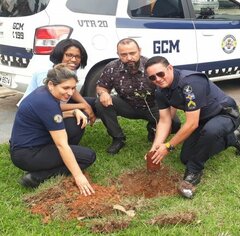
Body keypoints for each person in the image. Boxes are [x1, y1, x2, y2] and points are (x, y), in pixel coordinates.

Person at [144, 56, 240, 198]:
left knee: (210, 132)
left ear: (170, 68)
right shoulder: (160, 91)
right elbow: (164, 120)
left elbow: (192, 123)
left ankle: (193, 173)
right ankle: (234, 137)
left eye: (160, 74)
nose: (157, 79)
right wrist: (155, 148)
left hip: (225, 114)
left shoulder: (190, 83)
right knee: (186, 158)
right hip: (202, 119)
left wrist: (168, 146)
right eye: (152, 77)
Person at [10, 64, 96, 196]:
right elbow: (62, 145)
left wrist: (74, 111)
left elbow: (50, 115)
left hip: (29, 147)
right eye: (65, 88)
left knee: (76, 122)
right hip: (28, 155)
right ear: (51, 84)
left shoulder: (43, 92)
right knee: (88, 157)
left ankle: (63, 159)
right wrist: (79, 176)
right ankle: (38, 176)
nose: (70, 93)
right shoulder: (46, 103)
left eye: (73, 88)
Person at [95, 38, 180, 155]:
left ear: (139, 50)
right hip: (127, 105)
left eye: (132, 53)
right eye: (123, 54)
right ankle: (118, 138)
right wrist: (103, 93)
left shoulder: (150, 67)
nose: (129, 58)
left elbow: (168, 89)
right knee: (99, 102)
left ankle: (153, 128)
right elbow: (101, 86)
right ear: (118, 54)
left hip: (153, 106)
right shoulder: (111, 67)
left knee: (175, 123)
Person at [17, 38, 96, 145]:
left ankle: (117, 138)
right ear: (60, 55)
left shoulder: (68, 68)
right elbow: (48, 105)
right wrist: (81, 106)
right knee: (77, 118)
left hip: (55, 106)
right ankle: (65, 146)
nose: (73, 60)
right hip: (39, 115)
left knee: (95, 103)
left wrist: (86, 105)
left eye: (77, 56)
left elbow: (72, 88)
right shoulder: (46, 73)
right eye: (69, 55)